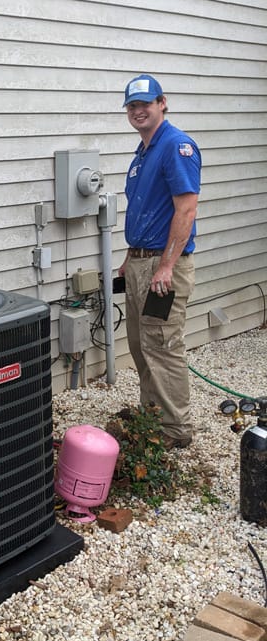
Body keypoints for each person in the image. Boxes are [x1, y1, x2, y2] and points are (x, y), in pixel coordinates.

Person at [117, 74, 201, 449]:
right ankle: (153, 418)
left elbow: (186, 209)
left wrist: (165, 266)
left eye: (145, 104)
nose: (138, 111)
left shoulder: (176, 146)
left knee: (163, 347)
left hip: (162, 268)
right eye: (132, 105)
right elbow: (144, 211)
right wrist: (127, 260)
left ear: (162, 103)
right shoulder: (143, 153)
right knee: (141, 344)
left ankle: (174, 430)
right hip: (140, 263)